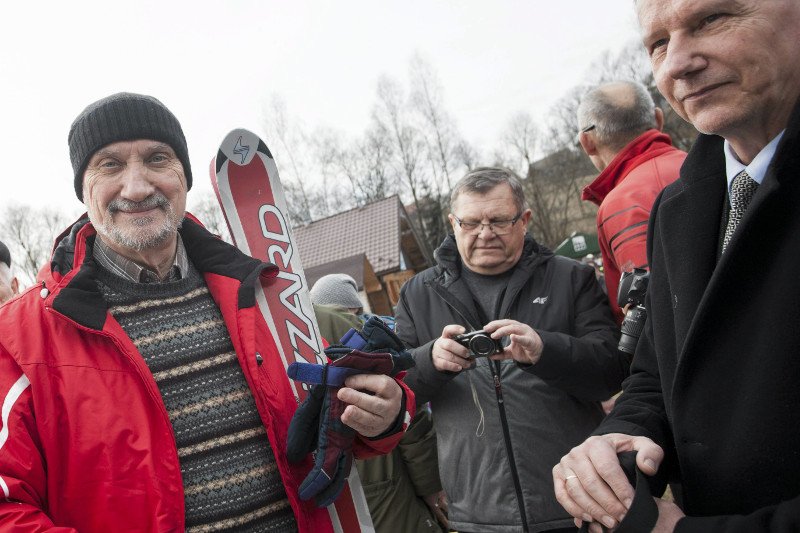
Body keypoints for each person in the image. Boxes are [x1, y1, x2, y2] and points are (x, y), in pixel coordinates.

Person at [0, 92, 414, 532]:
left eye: (157, 159)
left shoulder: (262, 291)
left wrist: (385, 415)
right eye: (110, 164)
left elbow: (337, 423)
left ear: (185, 177)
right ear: (84, 189)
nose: (137, 187)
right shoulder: (19, 338)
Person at [553, 1, 800, 531]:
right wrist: (619, 439)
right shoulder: (678, 205)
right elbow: (656, 370)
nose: (674, 65)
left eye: (713, 19)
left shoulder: (632, 202)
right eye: (657, 43)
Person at [396, 167, 626, 533]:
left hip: (577, 497)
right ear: (452, 223)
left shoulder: (570, 278)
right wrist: (431, 360)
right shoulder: (417, 294)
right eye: (471, 223)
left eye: (499, 220)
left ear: (525, 220)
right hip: (479, 507)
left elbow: (610, 373)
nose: (485, 233)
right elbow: (399, 389)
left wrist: (544, 350)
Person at [310, 274, 447, 533]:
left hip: (367, 493)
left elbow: (402, 403)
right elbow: (410, 415)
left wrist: (430, 483)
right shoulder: (342, 325)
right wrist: (431, 485)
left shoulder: (335, 326)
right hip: (384, 491)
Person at [577, 80, 686, 321]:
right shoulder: (713, 161)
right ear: (658, 119)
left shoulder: (622, 203)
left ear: (587, 142)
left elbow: (654, 310)